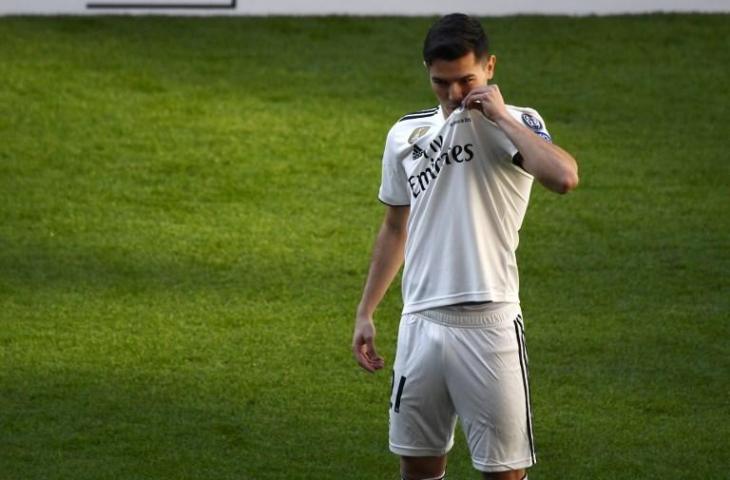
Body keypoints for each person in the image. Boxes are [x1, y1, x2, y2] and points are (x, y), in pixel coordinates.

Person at [351, 13, 579, 480]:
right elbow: (396, 227)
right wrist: (366, 311)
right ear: (427, 73)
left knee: (503, 474)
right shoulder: (405, 136)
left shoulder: (518, 124)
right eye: (441, 83)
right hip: (420, 322)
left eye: (465, 80)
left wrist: (498, 116)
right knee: (417, 467)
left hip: (489, 323)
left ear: (490, 67)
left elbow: (564, 177)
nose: (454, 95)